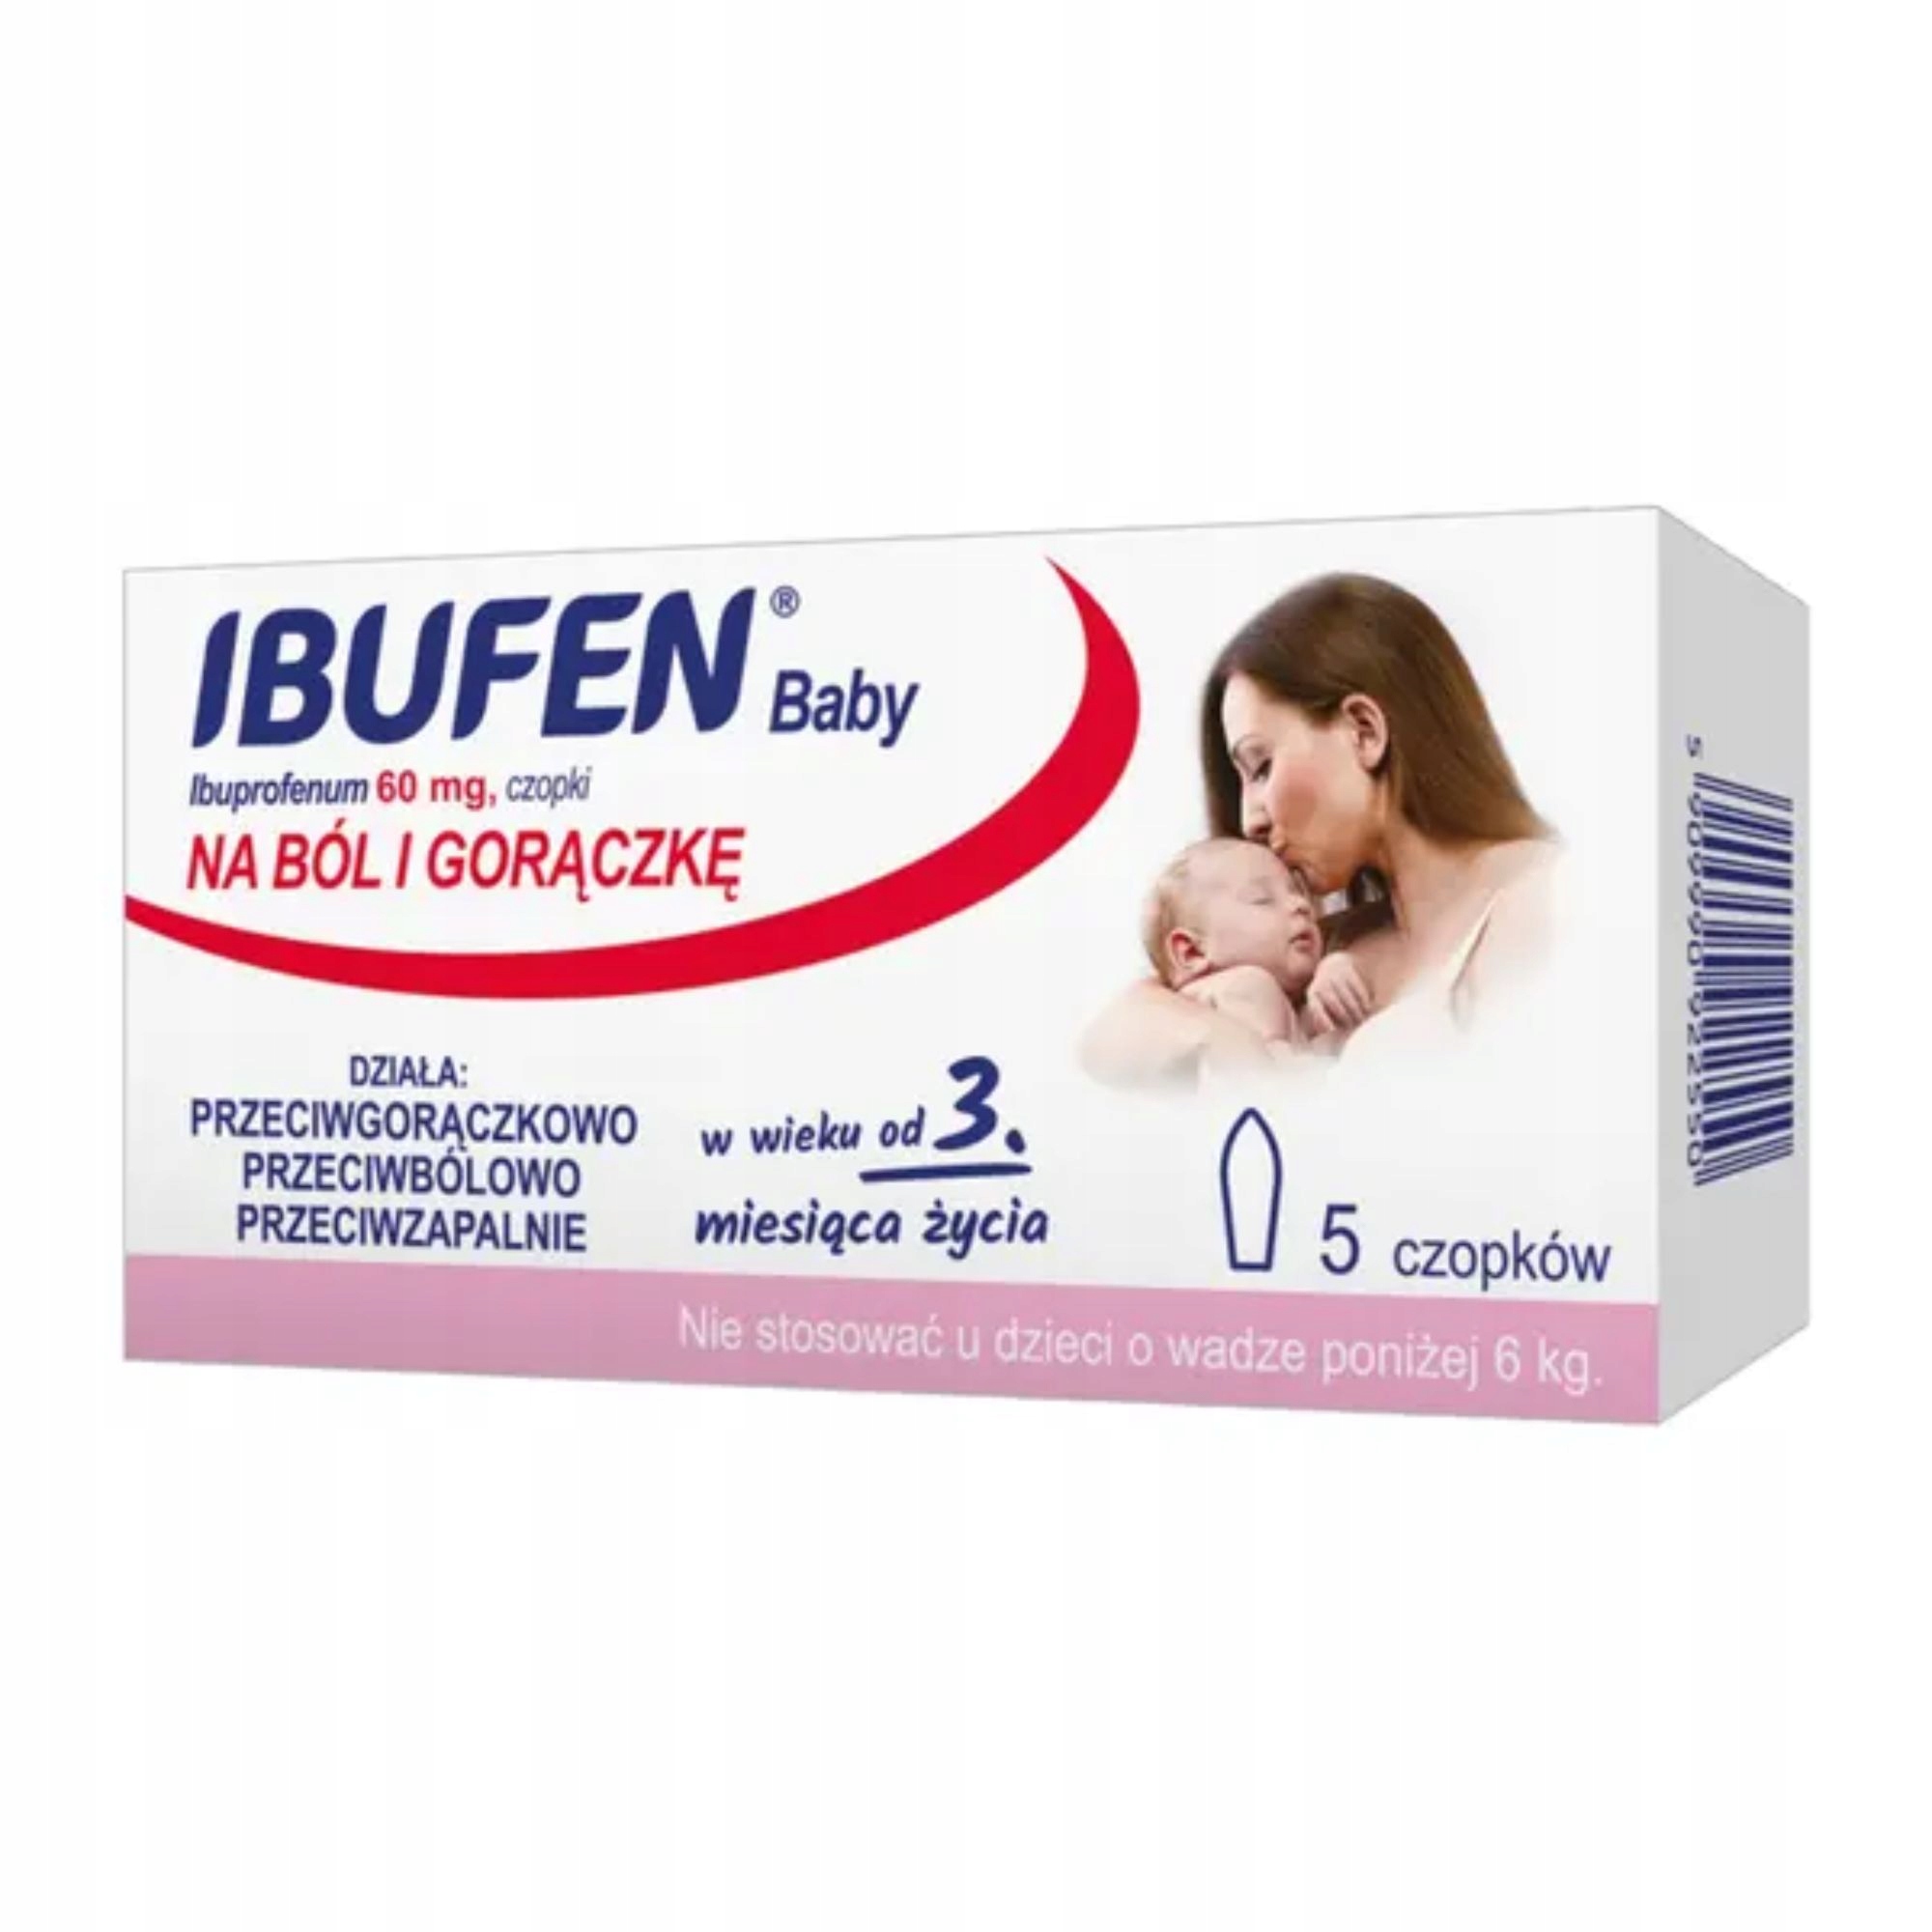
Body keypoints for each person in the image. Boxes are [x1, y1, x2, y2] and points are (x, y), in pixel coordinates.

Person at [1083, 572, 1555, 1088]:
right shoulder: (1316, 949)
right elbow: (1106, 1040)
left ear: (1364, 732)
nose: (1250, 821)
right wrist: (1223, 1038)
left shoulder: (1548, 899)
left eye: (1262, 766)